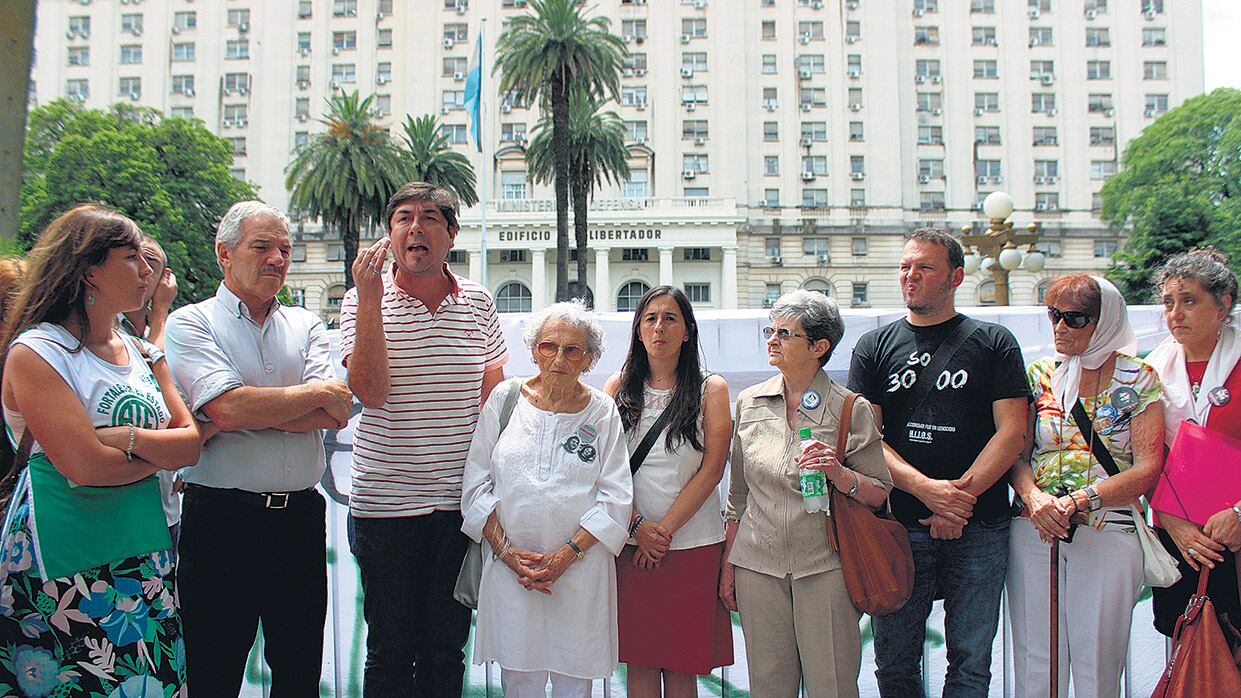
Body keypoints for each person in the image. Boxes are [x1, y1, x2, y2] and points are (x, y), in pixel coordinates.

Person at [0, 205, 201, 696]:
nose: (147, 270)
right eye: (131, 257)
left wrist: (128, 440)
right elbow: (84, 466)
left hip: (144, 554)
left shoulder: (141, 350)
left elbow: (191, 444)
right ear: (89, 269)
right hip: (66, 564)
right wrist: (159, 451)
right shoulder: (38, 352)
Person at [166, 200, 353, 697]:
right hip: (220, 519)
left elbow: (335, 413)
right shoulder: (190, 323)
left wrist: (247, 407)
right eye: (262, 246)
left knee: (298, 672)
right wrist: (302, 399)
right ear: (223, 253)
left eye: (286, 249)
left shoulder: (306, 324)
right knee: (214, 666)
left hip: (299, 520)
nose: (277, 259)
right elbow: (227, 409)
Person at [341, 181, 509, 696]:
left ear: (451, 235)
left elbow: (493, 407)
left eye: (431, 218)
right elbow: (368, 391)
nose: (417, 228)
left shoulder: (479, 303)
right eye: (404, 218)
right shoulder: (359, 300)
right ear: (389, 235)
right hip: (384, 508)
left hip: (458, 510)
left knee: (445, 649)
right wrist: (370, 296)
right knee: (389, 650)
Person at [847, 229, 1029, 697]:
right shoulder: (873, 346)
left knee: (970, 661)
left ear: (957, 277)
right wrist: (927, 491)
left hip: (981, 525)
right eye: (906, 266)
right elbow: (867, 439)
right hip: (900, 525)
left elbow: (1013, 433)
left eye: (924, 267)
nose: (911, 276)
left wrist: (957, 501)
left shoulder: (994, 342)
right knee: (894, 663)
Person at [721, 289, 892, 697]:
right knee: (767, 686)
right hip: (757, 566)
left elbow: (879, 492)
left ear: (819, 346)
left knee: (831, 684)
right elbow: (738, 496)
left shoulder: (851, 406)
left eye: (785, 332)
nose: (772, 340)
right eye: (770, 330)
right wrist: (729, 566)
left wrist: (837, 472)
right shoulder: (749, 401)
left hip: (826, 565)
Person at [461, 300, 632, 698]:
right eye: (548, 346)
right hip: (511, 573)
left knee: (576, 683)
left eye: (572, 349)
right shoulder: (505, 399)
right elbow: (474, 485)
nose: (559, 358)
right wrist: (507, 554)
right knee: (519, 681)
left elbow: (617, 496)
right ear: (534, 349)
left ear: (589, 358)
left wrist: (565, 556)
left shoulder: (602, 411)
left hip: (579, 573)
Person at [1007, 274, 1164, 697]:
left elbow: (1149, 466)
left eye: (1075, 319)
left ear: (1106, 320)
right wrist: (1034, 497)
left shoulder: (1140, 378)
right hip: (1035, 525)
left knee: (1098, 660)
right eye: (1054, 315)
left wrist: (1081, 498)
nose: (1060, 327)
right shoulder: (1040, 373)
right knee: (1034, 656)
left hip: (1107, 525)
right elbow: (1018, 455)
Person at [604, 286, 733, 697]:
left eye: (671, 318)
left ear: (688, 331)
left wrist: (663, 533)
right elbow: (601, 468)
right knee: (639, 661)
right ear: (639, 332)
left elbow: (713, 469)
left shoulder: (712, 389)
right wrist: (638, 527)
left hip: (691, 545)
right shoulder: (617, 386)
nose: (660, 327)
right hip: (628, 544)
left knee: (682, 663)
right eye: (650, 318)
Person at [1146, 249, 1241, 649]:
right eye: (1168, 302)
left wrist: (1238, 514)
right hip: (1179, 537)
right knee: (1190, 655)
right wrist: (1176, 525)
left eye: (1189, 300)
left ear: (1223, 305)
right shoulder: (1150, 369)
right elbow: (1141, 459)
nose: (1175, 313)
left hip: (1235, 532)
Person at [118, 236, 182, 551]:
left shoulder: (171, 328)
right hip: (118, 506)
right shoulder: (105, 330)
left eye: (149, 264)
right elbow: (150, 373)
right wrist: (161, 310)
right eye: (131, 260)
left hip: (164, 504)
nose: (141, 271)